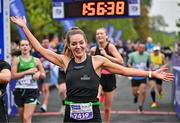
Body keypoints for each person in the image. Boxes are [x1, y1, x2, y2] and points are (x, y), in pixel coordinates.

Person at [11, 16, 174, 122]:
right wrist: (24, 27)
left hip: (92, 114)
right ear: (69, 45)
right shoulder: (65, 61)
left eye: (81, 42)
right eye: (74, 43)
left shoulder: (97, 61)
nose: (78, 46)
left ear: (86, 43)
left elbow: (124, 70)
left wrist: (152, 73)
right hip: (71, 114)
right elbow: (40, 49)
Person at [90, 27, 124, 123]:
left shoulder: (110, 47)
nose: (99, 35)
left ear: (106, 36)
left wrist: (106, 55)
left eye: (101, 33)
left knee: (107, 109)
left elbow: (121, 61)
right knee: (95, 99)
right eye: (97, 34)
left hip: (109, 78)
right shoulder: (93, 50)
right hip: (98, 77)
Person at [11, 40, 46, 123]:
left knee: (27, 118)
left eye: (26, 45)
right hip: (19, 90)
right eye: (22, 45)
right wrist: (27, 72)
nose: (25, 47)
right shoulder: (17, 60)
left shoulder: (36, 60)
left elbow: (43, 74)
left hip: (32, 90)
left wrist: (38, 74)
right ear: (19, 47)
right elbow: (13, 76)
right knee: (23, 119)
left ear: (30, 47)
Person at [128, 42, 150, 112]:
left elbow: (149, 64)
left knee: (143, 91)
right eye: (140, 48)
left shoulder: (147, 55)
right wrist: (131, 68)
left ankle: (140, 106)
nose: (142, 49)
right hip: (135, 77)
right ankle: (136, 96)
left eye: (143, 48)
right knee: (134, 92)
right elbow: (128, 63)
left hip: (143, 76)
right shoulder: (132, 55)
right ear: (137, 48)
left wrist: (149, 70)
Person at [33, 38, 52, 112]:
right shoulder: (37, 52)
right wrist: (41, 60)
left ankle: (45, 105)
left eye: (47, 42)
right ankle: (35, 99)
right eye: (44, 42)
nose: (46, 44)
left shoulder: (51, 51)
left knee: (46, 89)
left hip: (47, 72)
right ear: (41, 43)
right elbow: (32, 61)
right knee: (38, 89)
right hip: (38, 73)